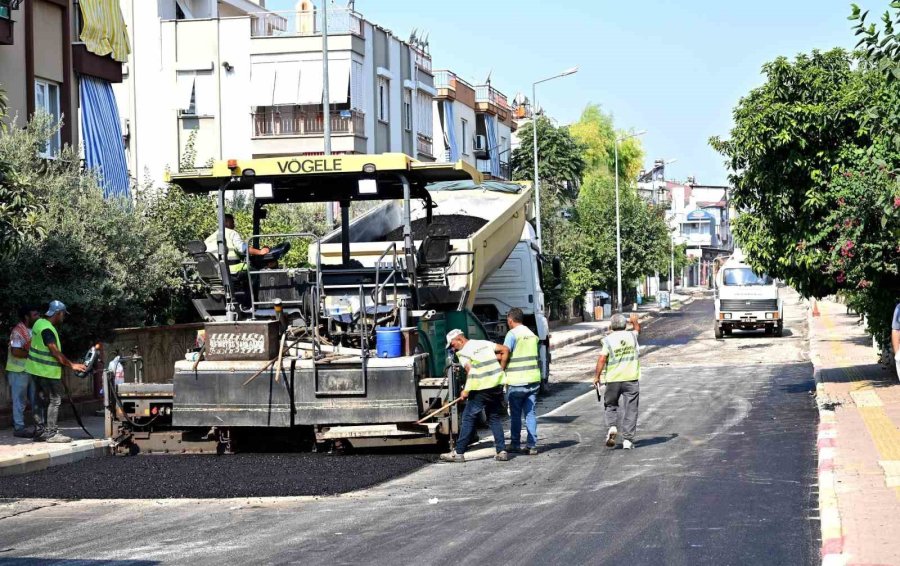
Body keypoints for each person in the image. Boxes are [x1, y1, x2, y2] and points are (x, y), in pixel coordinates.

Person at [440, 329, 510, 463]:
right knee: (493, 417)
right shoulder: (483, 343)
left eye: (453, 345)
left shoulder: (463, 353)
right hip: (496, 385)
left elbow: (470, 372)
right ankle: (501, 451)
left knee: (468, 417)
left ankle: (459, 453)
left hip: (481, 388)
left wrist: (466, 391)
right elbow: (505, 350)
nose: (453, 349)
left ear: (460, 340)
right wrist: (501, 370)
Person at [26, 300, 87, 443]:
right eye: (63, 314)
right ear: (58, 313)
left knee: (38, 401)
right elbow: (54, 351)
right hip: (46, 371)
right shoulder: (47, 330)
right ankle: (52, 433)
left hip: (34, 370)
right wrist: (72, 365)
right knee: (55, 400)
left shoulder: (38, 323)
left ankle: (40, 431)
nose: (63, 317)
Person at [592, 313, 642, 450]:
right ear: (625, 325)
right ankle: (628, 440)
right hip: (631, 378)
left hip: (613, 379)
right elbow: (637, 330)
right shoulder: (632, 336)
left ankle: (612, 426)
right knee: (631, 409)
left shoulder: (608, 340)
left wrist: (597, 376)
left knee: (610, 405)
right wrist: (635, 321)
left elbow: (602, 359)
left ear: (611, 326)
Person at [502, 307, 541, 455]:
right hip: (533, 380)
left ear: (510, 320)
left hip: (517, 381)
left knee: (516, 414)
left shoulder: (512, 335)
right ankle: (532, 445)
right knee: (530, 413)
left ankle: (515, 443)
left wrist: (501, 370)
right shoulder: (532, 335)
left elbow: (505, 353)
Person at [6, 305, 40, 438]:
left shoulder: (33, 330)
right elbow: (15, 351)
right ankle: (19, 428)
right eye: (35, 315)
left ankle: (40, 426)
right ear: (27, 317)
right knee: (20, 401)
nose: (38, 317)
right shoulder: (17, 331)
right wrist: (31, 353)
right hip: (18, 370)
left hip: (30, 369)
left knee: (35, 399)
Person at [204, 213, 270, 274]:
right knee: (256, 272)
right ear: (226, 222)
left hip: (215, 271)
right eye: (232, 222)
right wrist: (260, 252)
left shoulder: (210, 238)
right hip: (230, 269)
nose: (234, 225)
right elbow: (243, 248)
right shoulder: (231, 233)